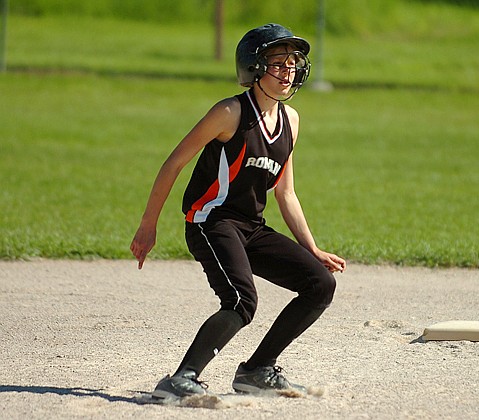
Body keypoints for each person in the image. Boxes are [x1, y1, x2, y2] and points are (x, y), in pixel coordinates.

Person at [130, 23, 346, 400]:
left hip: (251, 227)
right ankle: (180, 379)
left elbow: (286, 193)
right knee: (242, 301)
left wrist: (311, 248)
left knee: (320, 284)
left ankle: (257, 370)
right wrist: (148, 226)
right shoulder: (229, 112)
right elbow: (173, 164)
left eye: (293, 62)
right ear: (254, 68)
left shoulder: (291, 120)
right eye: (277, 62)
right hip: (210, 221)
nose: (288, 70)